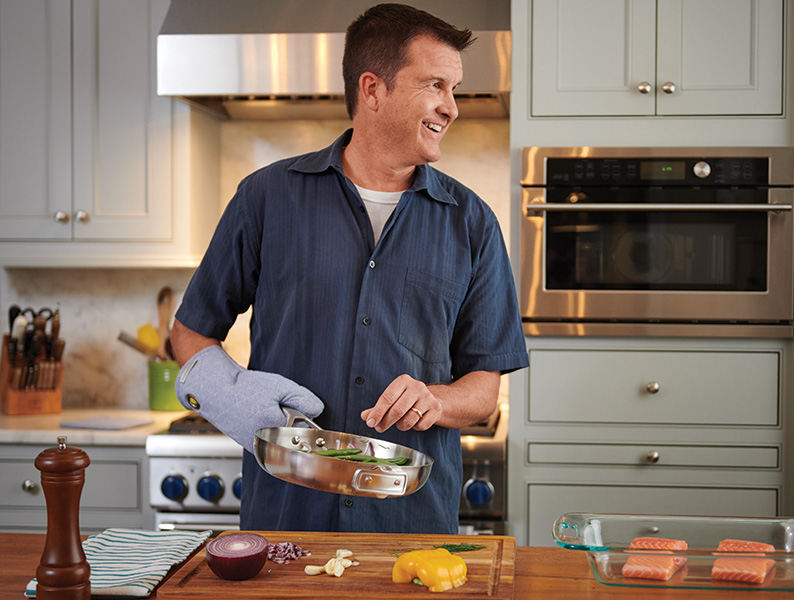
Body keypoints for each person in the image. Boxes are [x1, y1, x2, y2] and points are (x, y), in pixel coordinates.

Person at [170, 2, 528, 534]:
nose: (451, 108)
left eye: (454, 89)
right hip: (287, 520)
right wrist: (231, 392)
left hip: (410, 527)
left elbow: (483, 389)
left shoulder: (471, 221)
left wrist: (435, 399)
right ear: (373, 89)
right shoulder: (266, 197)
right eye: (435, 85)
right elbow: (190, 333)